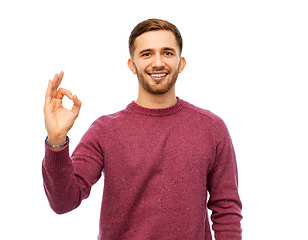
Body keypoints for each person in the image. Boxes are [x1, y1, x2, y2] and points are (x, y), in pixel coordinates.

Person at [43, 18, 242, 240]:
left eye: (167, 53)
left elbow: (226, 209)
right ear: (132, 65)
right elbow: (63, 201)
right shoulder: (106, 130)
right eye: (147, 54)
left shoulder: (211, 128)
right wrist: (57, 140)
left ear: (181, 62)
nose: (158, 63)